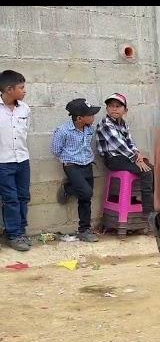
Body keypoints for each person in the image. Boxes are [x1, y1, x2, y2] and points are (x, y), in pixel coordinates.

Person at [96, 93, 155, 216]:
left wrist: (138, 155)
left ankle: (141, 195)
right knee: (146, 171)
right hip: (113, 159)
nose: (114, 109)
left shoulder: (123, 124)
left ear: (125, 110)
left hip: (125, 157)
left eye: (118, 106)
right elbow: (118, 144)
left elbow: (130, 143)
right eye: (111, 106)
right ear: (107, 109)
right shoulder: (105, 124)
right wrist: (135, 158)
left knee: (152, 168)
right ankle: (148, 210)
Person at [52, 99, 101, 242]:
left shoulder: (89, 129)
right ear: (79, 118)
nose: (93, 117)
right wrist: (68, 160)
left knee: (85, 199)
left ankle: (84, 230)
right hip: (71, 165)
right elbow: (56, 150)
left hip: (87, 164)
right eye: (90, 115)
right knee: (87, 192)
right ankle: (68, 187)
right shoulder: (63, 131)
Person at [0, 70, 31, 251]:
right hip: (3, 163)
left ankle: (20, 230)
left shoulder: (24, 109)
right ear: (9, 89)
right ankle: (14, 234)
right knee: (10, 198)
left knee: (23, 197)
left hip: (22, 160)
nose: (24, 91)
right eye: (21, 87)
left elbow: (24, 133)